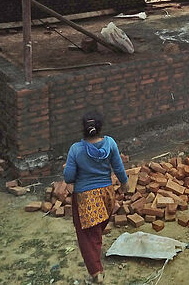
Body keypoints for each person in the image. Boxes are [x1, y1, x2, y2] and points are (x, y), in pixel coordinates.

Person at [63, 111, 128, 284]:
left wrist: (70, 181)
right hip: (107, 194)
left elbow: (68, 175)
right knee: (97, 227)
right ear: (100, 127)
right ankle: (96, 252)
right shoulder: (110, 143)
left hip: (86, 198)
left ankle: (96, 272)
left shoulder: (76, 149)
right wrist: (124, 184)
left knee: (86, 235)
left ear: (83, 128)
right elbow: (119, 168)